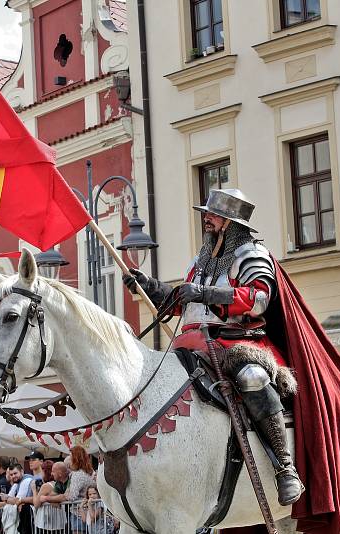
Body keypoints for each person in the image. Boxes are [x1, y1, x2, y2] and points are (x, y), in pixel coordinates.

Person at [122, 188, 302, 505]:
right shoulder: (202, 260)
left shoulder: (251, 255)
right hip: (193, 344)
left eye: (214, 215)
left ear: (231, 223)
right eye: (207, 213)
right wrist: (148, 286)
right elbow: (182, 303)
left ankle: (285, 468)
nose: (207, 219)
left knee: (252, 379)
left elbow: (259, 300)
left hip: (238, 344)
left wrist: (207, 294)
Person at [32, 462, 68, 534]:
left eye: (41, 471)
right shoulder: (59, 483)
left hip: (47, 523)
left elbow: (36, 504)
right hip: (59, 522)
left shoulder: (46, 486)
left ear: (45, 472)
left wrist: (34, 490)